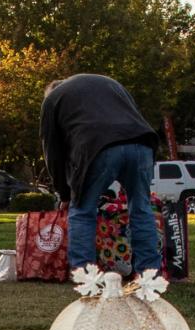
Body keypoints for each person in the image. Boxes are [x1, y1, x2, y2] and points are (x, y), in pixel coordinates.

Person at [40, 72, 160, 275]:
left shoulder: (52, 99)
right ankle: (149, 273)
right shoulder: (110, 84)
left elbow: (53, 152)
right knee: (141, 209)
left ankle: (85, 274)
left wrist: (66, 194)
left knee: (82, 211)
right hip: (142, 143)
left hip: (98, 147)